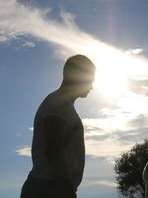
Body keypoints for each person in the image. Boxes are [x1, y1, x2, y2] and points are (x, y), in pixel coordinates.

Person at [20, 55, 95, 198]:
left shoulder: (61, 103)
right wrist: (66, 189)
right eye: (90, 79)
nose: (92, 86)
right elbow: (54, 150)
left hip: (50, 186)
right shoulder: (58, 103)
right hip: (49, 187)